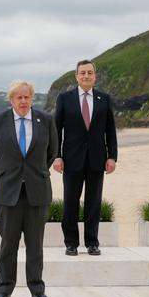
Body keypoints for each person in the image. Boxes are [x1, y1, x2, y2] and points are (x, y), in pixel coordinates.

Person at [0, 80, 58, 297]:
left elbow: (52, 153)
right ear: (11, 100)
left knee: (36, 245)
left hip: (38, 192)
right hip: (8, 193)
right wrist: (2, 176)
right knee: (8, 244)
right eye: (18, 98)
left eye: (27, 97)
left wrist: (36, 173)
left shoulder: (46, 120)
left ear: (32, 98)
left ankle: (37, 290)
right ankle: (4, 289)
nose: (23, 101)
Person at [53, 60, 118, 256]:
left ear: (95, 76)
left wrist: (112, 156)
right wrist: (56, 156)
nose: (86, 76)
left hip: (97, 159)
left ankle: (92, 242)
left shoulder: (104, 99)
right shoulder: (65, 98)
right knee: (71, 202)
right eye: (83, 73)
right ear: (76, 76)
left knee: (94, 203)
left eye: (90, 72)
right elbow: (57, 130)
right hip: (71, 159)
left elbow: (110, 130)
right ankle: (71, 243)